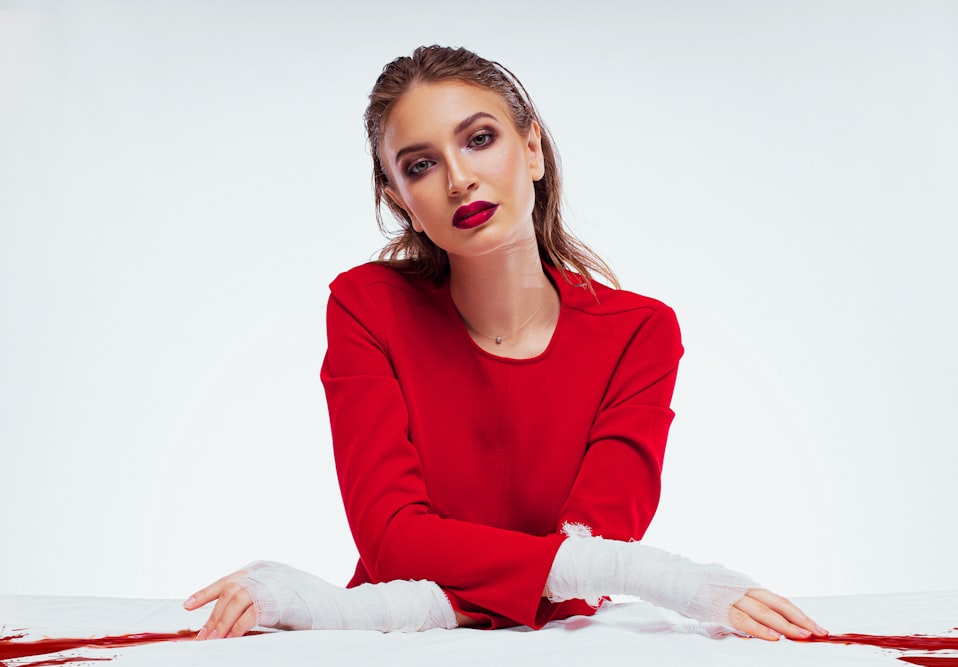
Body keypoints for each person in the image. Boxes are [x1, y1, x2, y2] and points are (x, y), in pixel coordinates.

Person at [184, 45, 827, 642]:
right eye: (421, 164)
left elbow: (601, 548)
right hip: (397, 653)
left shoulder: (640, 332)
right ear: (400, 199)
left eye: (480, 139)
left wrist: (358, 608)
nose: (459, 179)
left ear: (533, 150)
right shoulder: (367, 306)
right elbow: (393, 543)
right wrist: (659, 579)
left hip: (545, 649)